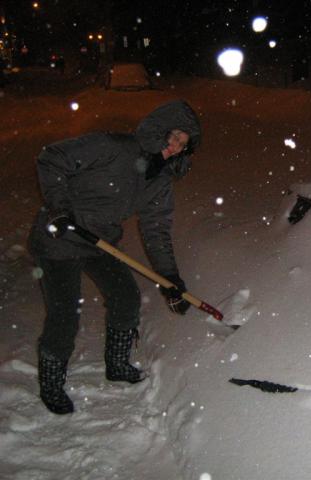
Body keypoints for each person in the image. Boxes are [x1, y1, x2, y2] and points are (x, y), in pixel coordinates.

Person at [28, 100, 201, 415]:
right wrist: (59, 207)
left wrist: (170, 279)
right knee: (65, 313)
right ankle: (51, 385)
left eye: (183, 144)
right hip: (59, 237)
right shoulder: (112, 147)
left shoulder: (159, 181)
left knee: (126, 297)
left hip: (98, 242)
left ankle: (117, 364)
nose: (176, 147)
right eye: (174, 137)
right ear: (160, 130)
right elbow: (51, 158)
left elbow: (156, 230)